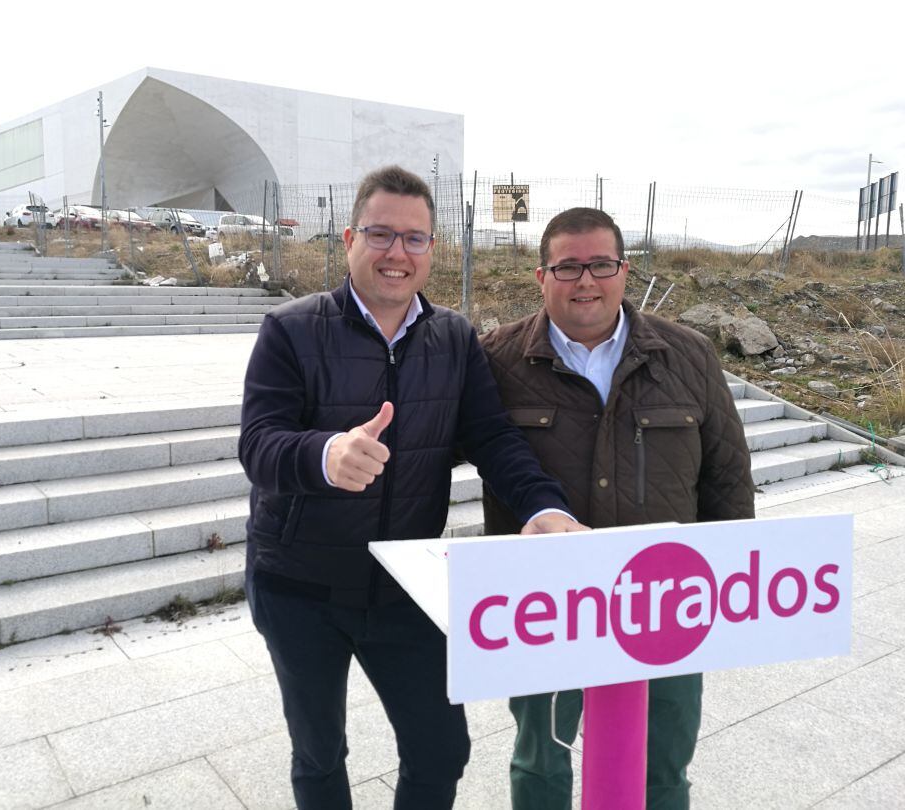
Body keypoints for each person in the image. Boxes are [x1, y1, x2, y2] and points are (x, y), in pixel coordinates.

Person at [238, 166, 587, 810]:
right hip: (299, 587)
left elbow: (493, 437)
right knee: (319, 753)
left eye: (415, 238)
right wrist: (324, 453)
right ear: (348, 240)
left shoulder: (453, 338)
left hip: (404, 585)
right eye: (381, 234)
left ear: (433, 250)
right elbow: (257, 444)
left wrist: (541, 505)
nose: (397, 252)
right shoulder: (290, 330)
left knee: (439, 749)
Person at [480, 207, 756, 810]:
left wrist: (732, 595)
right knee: (541, 761)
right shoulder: (496, 360)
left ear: (624, 271)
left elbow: (727, 479)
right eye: (569, 266)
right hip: (543, 608)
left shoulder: (688, 356)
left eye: (601, 265)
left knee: (663, 766)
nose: (586, 281)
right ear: (540, 275)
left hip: (667, 603)